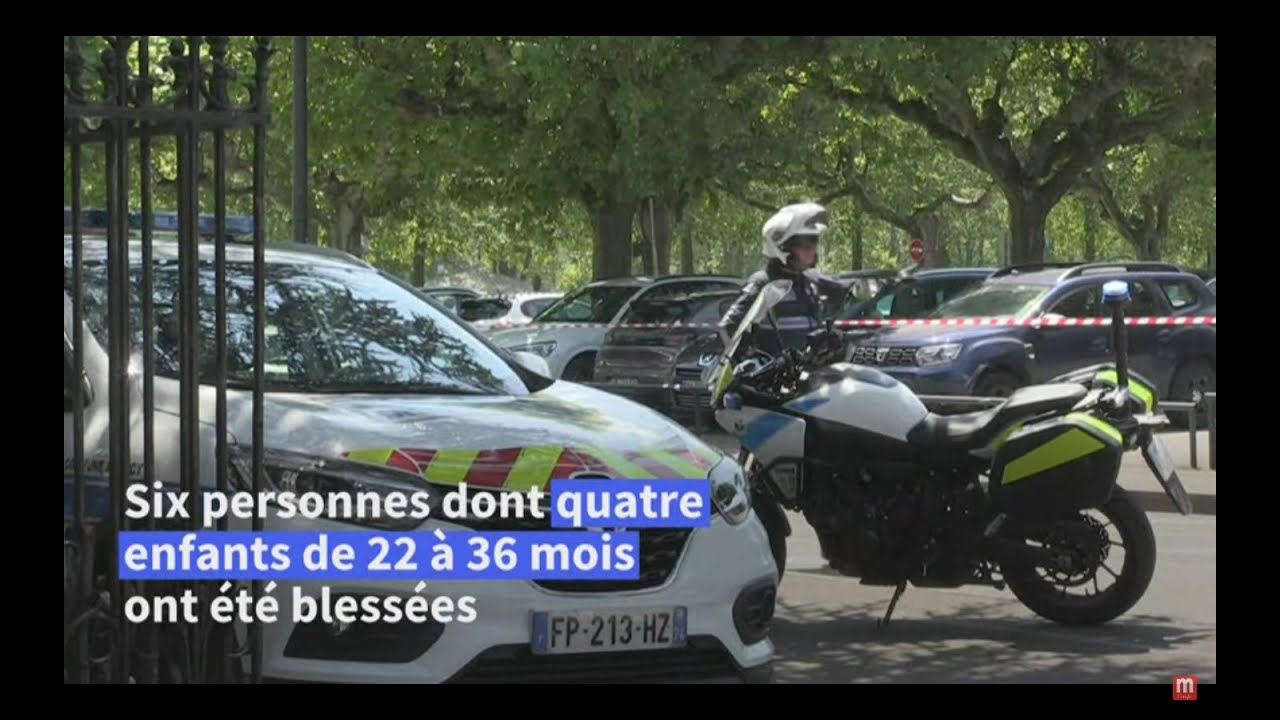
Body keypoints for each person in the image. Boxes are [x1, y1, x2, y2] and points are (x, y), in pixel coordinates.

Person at [718, 201, 856, 356]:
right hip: (773, 379)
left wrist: (828, 336)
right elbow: (729, 327)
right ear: (783, 247)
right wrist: (750, 362)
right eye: (805, 244)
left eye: (814, 242)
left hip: (805, 375)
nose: (811, 250)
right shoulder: (764, 283)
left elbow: (807, 332)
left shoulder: (807, 284)